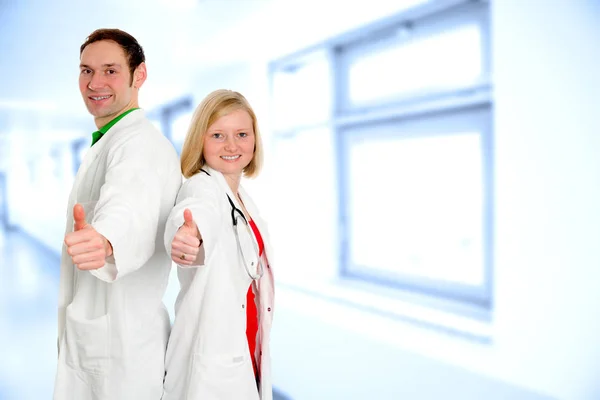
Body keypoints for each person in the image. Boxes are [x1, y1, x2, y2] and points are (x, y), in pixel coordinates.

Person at [53, 28, 181, 399]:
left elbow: (128, 207)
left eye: (110, 70)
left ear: (138, 75)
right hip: (107, 339)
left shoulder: (138, 145)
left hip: (120, 352)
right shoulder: (110, 141)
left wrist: (106, 239)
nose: (95, 82)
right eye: (86, 70)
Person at [162, 89, 275, 399]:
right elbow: (197, 215)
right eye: (217, 135)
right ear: (201, 140)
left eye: (241, 133)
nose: (231, 145)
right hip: (212, 364)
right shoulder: (201, 186)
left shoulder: (243, 198)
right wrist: (189, 238)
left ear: (254, 139)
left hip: (245, 346)